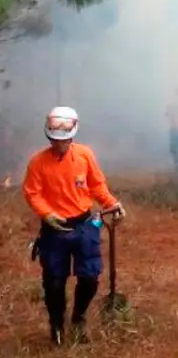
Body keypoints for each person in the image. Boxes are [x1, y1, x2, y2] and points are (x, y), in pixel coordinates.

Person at [22, 106, 126, 347]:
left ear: (73, 135)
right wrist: (46, 214)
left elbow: (97, 185)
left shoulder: (84, 155)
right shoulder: (38, 162)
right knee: (54, 282)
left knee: (89, 278)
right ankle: (56, 325)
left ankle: (78, 319)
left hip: (84, 225)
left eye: (65, 139)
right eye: (56, 140)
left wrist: (112, 203)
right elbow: (32, 192)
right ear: (48, 137)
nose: (61, 144)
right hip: (54, 229)